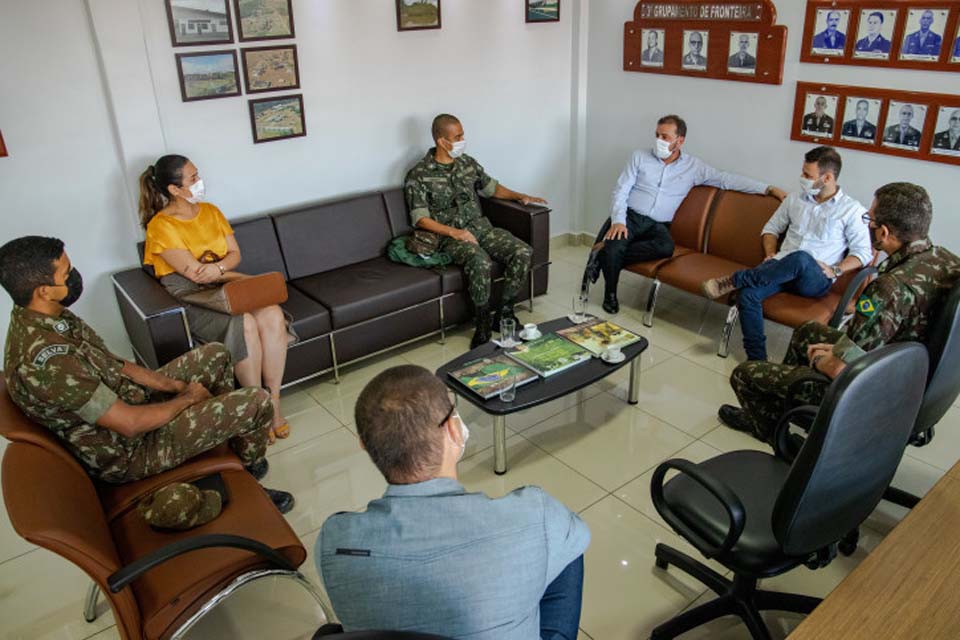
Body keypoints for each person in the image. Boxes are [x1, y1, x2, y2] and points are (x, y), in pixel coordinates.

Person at [0, 236, 294, 511]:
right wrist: (187, 399)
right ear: (43, 290)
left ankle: (222, 443)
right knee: (256, 401)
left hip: (133, 405)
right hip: (129, 451)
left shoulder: (52, 316)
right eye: (67, 273)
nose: (75, 276)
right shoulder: (47, 360)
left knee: (215, 354)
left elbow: (116, 364)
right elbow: (128, 423)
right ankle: (249, 479)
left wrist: (174, 385)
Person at [317, 365, 589, 639]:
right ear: (453, 429)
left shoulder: (332, 541)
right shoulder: (533, 514)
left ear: (365, 446)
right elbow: (579, 535)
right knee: (567, 547)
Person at [718, 183, 960, 442]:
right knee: (808, 331)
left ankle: (773, 433)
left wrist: (822, 359)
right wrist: (836, 350)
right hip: (909, 375)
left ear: (885, 232)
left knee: (745, 374)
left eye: (870, 219)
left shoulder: (890, 287)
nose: (868, 224)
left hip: (874, 391)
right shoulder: (946, 260)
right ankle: (789, 413)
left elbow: (841, 369)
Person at [139, 155, 291, 443]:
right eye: (193, 178)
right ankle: (254, 407)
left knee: (271, 312)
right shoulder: (160, 226)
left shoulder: (211, 211)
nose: (200, 182)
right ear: (174, 189)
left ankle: (273, 402)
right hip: (194, 296)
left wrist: (220, 268)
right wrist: (227, 274)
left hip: (224, 284)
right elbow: (195, 276)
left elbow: (234, 255)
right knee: (244, 321)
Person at [584, 115, 786, 314]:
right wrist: (618, 221)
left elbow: (726, 179)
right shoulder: (639, 157)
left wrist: (768, 188)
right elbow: (621, 190)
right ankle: (610, 295)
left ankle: (604, 255)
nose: (659, 141)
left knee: (664, 247)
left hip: (659, 225)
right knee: (617, 243)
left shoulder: (693, 167)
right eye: (657, 135)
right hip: (631, 216)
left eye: (665, 137)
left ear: (679, 141)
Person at [701, 147, 872, 362]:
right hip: (780, 269)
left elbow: (863, 253)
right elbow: (771, 229)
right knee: (748, 295)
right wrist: (771, 253)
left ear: (827, 177)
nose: (802, 178)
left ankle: (735, 279)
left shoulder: (851, 210)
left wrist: (836, 269)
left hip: (814, 280)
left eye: (808, 175)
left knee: (801, 257)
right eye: (803, 172)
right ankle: (757, 361)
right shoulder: (794, 199)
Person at [404, 114, 546, 349]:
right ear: (442, 141)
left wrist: (520, 195)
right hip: (449, 237)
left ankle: (504, 313)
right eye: (457, 137)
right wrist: (455, 233)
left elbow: (492, 188)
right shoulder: (419, 174)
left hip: (481, 229)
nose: (462, 140)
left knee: (522, 251)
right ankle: (482, 322)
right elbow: (421, 219)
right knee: (480, 261)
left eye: (462, 135)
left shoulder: (467, 163)